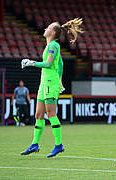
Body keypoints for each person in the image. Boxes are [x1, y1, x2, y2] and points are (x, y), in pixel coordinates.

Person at [20, 18, 83, 158]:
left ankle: (59, 145)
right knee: (38, 115)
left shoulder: (53, 46)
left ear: (53, 32)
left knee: (51, 114)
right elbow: (60, 63)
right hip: (45, 83)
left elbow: (48, 64)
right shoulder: (51, 46)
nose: (44, 29)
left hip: (49, 82)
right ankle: (35, 144)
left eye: (47, 28)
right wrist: (60, 80)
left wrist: (32, 63)